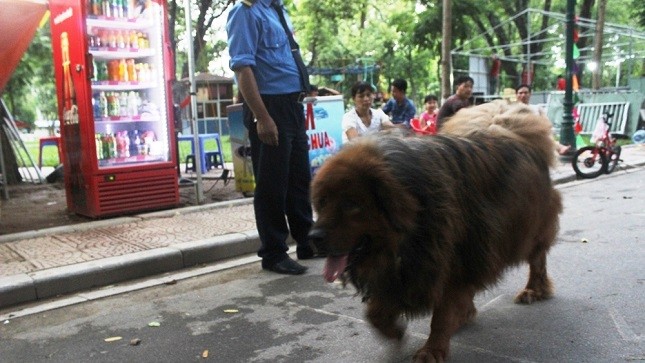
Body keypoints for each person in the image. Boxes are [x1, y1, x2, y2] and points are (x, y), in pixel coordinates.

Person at [227, 0, 316, 275]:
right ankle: (274, 252)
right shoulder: (245, 10)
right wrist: (262, 117)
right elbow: (243, 68)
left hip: (292, 105)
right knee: (272, 183)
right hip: (270, 106)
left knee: (299, 178)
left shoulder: (278, 10)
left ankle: (307, 241)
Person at [515, 84, 570, 155]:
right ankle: (558, 147)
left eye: (526, 93)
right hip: (522, 133)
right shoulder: (512, 109)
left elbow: (546, 122)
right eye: (520, 93)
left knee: (544, 133)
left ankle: (557, 147)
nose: (523, 95)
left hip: (538, 131)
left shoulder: (537, 108)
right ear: (516, 95)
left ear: (530, 94)